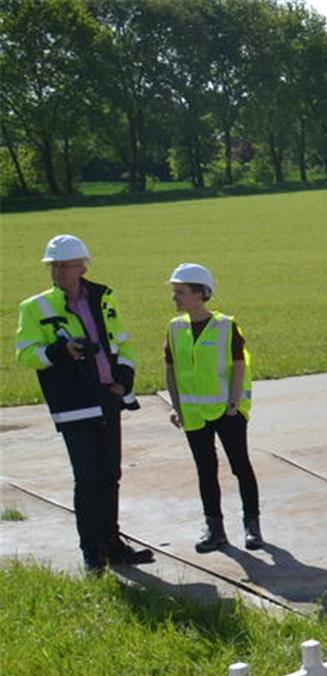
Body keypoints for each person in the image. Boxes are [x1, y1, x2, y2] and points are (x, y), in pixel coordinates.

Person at [13, 234, 153, 573]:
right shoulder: (34, 307)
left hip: (108, 396)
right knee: (87, 477)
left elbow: (121, 340)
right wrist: (59, 352)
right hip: (74, 402)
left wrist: (125, 373)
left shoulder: (104, 297)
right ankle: (92, 552)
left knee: (110, 475)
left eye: (65, 266)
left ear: (82, 267)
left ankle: (112, 543)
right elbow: (25, 354)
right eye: (54, 266)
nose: (58, 272)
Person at [162, 263, 262, 553]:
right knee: (205, 470)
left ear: (200, 294)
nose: (175, 298)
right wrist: (176, 406)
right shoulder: (175, 328)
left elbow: (240, 364)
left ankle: (252, 525)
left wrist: (234, 401)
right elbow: (171, 370)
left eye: (180, 292)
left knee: (240, 466)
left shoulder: (225, 325)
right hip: (193, 413)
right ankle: (214, 527)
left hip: (227, 411)